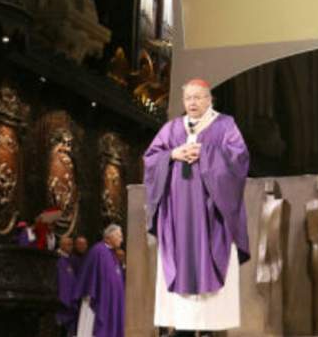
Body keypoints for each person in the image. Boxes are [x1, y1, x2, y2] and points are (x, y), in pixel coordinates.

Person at [143, 79, 250, 334]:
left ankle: (210, 329)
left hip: (210, 215)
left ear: (209, 99)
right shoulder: (171, 130)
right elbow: (150, 159)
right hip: (178, 218)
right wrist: (172, 155)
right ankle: (182, 328)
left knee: (210, 266)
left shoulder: (225, 126)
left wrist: (207, 153)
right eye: (188, 98)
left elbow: (240, 159)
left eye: (198, 97)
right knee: (179, 268)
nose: (192, 102)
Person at [73, 224, 125, 337]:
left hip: (110, 303)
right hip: (97, 302)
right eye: (119, 236)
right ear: (109, 237)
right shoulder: (98, 251)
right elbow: (91, 277)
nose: (122, 240)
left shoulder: (112, 255)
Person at [56, 235, 79, 337]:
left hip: (71, 301)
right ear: (61, 245)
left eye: (71, 244)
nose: (71, 247)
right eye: (69, 244)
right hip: (62, 303)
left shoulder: (71, 259)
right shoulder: (58, 259)